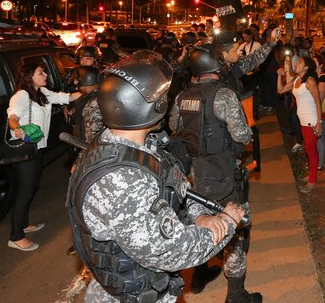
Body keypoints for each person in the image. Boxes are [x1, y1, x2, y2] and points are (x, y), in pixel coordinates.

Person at [68, 50, 244, 302]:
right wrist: (227, 222)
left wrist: (201, 216)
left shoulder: (133, 147)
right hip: (130, 296)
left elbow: (176, 188)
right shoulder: (123, 181)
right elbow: (172, 251)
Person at [169, 44, 260, 302]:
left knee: (198, 223)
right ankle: (236, 295)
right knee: (232, 233)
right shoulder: (224, 96)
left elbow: (175, 126)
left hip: (190, 174)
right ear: (218, 66)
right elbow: (241, 134)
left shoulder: (181, 96)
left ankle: (198, 277)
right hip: (221, 175)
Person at [6, 62, 82, 251]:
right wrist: (17, 129)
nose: (46, 74)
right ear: (30, 76)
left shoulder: (43, 93)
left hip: (36, 148)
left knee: (30, 188)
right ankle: (15, 236)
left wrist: (92, 89)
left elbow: (67, 97)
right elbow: (12, 116)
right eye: (41, 72)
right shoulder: (22, 95)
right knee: (25, 190)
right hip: (25, 149)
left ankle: (22, 224)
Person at [277, 56, 322, 193]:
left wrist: (319, 123)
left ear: (306, 67)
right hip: (302, 121)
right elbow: (280, 90)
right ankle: (311, 174)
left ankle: (312, 180)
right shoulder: (297, 80)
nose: (297, 63)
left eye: (301, 62)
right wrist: (280, 76)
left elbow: (318, 102)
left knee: (311, 151)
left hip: (311, 121)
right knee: (308, 150)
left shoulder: (310, 81)